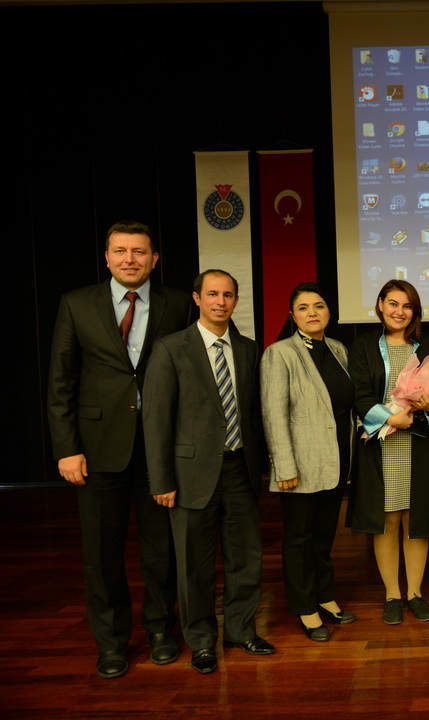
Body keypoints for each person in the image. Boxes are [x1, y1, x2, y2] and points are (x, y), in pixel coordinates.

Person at [46, 220, 192, 679]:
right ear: (107, 257)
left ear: (154, 259)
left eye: (139, 251)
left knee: (161, 551)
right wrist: (67, 448)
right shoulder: (76, 304)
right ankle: (111, 642)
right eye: (121, 251)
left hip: (159, 449)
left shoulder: (177, 305)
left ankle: (161, 631)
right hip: (97, 449)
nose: (130, 259)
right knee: (101, 553)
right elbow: (61, 381)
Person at [144, 269, 273, 675]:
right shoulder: (171, 348)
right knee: (194, 566)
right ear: (197, 298)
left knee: (245, 560)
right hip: (189, 477)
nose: (221, 301)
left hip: (240, 470)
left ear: (236, 301)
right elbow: (156, 419)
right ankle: (201, 641)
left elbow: (253, 414)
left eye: (228, 295)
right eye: (213, 294)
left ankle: (240, 630)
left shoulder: (248, 349)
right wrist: (161, 480)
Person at [347, 279, 429, 624]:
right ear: (380, 305)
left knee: (415, 519)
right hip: (381, 444)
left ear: (414, 311)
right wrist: (390, 418)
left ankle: (415, 593)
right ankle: (392, 594)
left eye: (407, 306)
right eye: (393, 304)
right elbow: (359, 393)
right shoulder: (363, 346)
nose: (399, 312)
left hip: (419, 444)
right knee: (388, 519)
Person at [261, 283, 357, 641]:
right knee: (299, 538)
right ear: (292, 315)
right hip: (299, 465)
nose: (312, 313)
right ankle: (305, 607)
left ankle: (324, 595)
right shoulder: (280, 353)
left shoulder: (338, 349)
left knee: (324, 535)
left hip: (337, 459)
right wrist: (283, 466)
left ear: (329, 311)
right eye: (303, 307)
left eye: (319, 306)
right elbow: (273, 413)